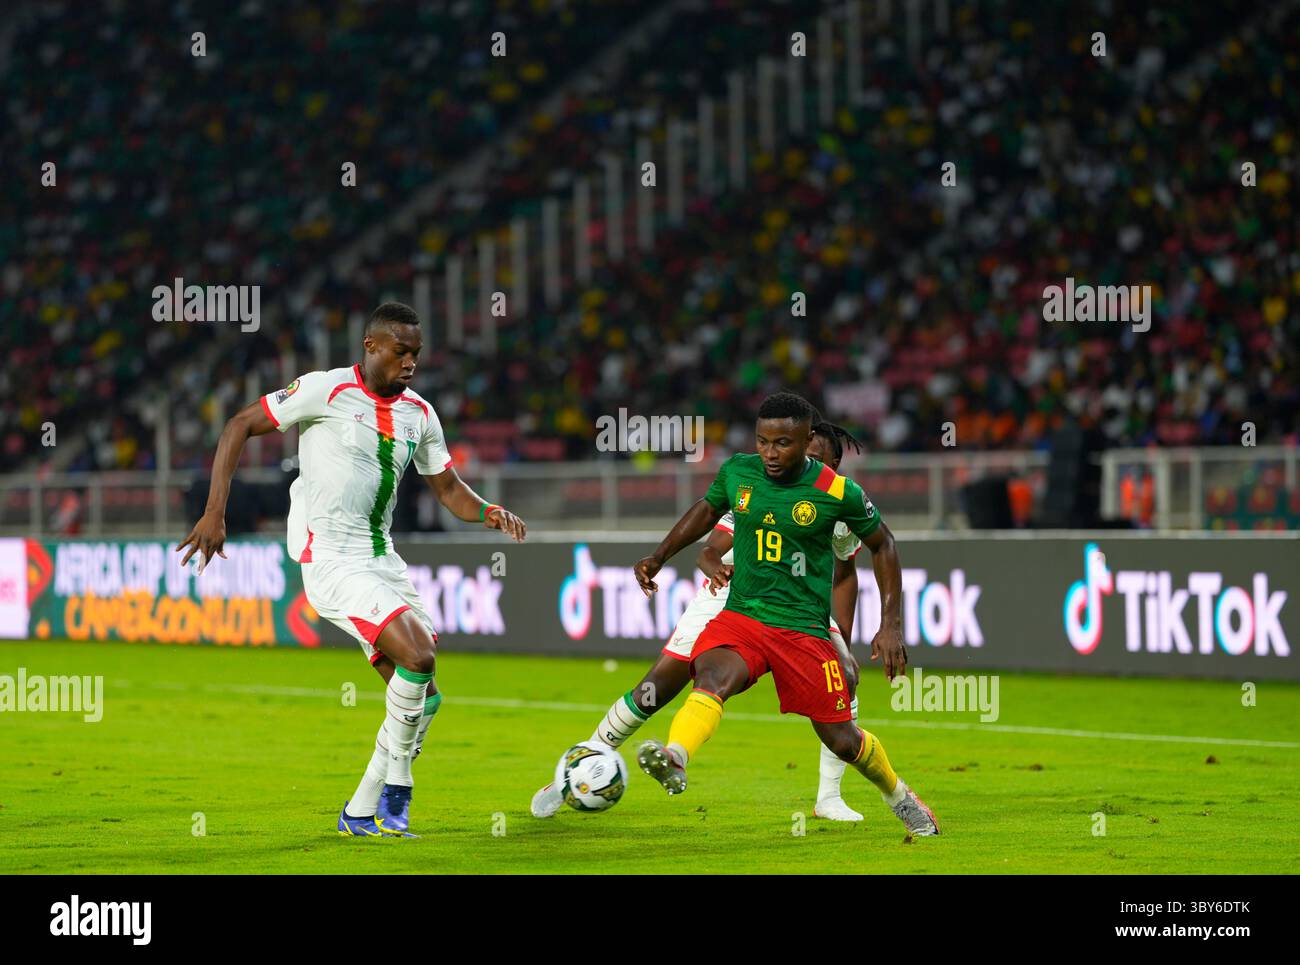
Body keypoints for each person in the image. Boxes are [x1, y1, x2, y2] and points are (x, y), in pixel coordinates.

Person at [177, 302, 526, 837]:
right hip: (331, 559)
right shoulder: (326, 389)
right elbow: (239, 425)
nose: (410, 362)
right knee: (420, 653)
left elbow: (449, 489)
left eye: (417, 354)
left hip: (381, 558)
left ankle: (359, 812)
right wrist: (214, 511)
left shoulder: (421, 414)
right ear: (371, 346)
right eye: (400, 351)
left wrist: (488, 512)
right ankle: (399, 791)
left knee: (423, 696)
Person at [633, 391, 939, 835]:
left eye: (783, 444)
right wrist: (658, 557)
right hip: (744, 615)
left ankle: (898, 795)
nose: (770, 454)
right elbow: (705, 511)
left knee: (842, 739)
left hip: (802, 630)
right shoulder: (739, 471)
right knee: (712, 677)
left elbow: (883, 544)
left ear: (807, 439)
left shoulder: (837, 492)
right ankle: (677, 756)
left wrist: (890, 624)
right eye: (763, 441)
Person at [530, 421, 869, 820]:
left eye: (816, 458)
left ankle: (829, 797)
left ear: (834, 464)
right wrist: (705, 564)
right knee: (653, 691)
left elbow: (846, 573)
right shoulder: (760, 488)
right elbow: (713, 547)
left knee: (845, 676)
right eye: (802, 452)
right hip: (731, 596)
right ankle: (580, 768)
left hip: (800, 606)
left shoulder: (842, 504)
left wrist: (840, 639)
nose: (802, 461)